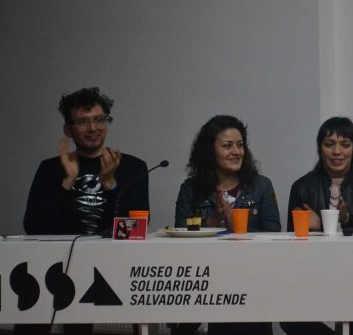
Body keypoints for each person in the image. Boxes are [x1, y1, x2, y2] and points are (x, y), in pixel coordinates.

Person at [18, 87, 149, 335]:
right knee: (32, 302)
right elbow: (33, 226)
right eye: (82, 122)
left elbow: (136, 230)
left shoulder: (132, 167)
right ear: (68, 129)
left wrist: (111, 184)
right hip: (58, 263)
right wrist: (67, 183)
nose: (93, 128)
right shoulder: (50, 169)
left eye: (99, 120)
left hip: (113, 263)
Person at [281, 117, 353, 335]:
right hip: (315, 272)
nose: (337, 152)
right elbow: (292, 243)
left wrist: (343, 222)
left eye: (345, 144)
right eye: (329, 144)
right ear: (320, 148)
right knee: (289, 321)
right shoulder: (302, 186)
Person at [173, 115, 280, 335]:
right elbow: (180, 232)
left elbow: (273, 233)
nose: (236, 151)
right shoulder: (190, 189)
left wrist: (238, 229)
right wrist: (210, 224)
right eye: (227, 145)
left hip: (251, 280)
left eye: (240, 145)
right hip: (202, 282)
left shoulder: (261, 186)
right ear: (209, 151)